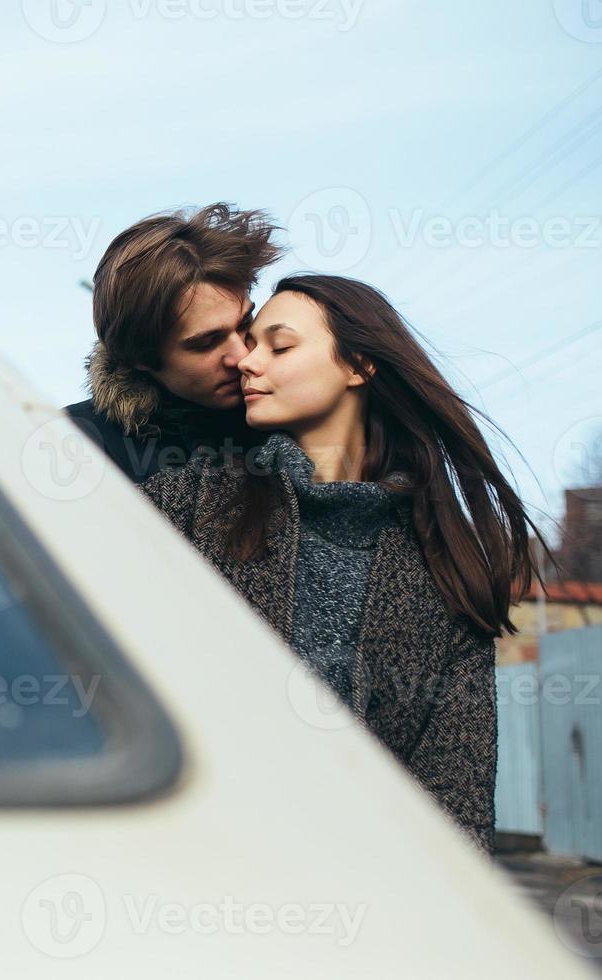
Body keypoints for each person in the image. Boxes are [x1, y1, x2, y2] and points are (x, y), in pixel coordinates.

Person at [141, 274, 550, 854]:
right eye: (250, 345)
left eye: (278, 347)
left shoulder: (445, 568)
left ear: (358, 364)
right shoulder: (192, 503)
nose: (247, 364)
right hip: (187, 881)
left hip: (367, 910)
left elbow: (456, 802)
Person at [66, 203, 283, 483]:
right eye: (207, 342)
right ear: (139, 357)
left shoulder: (299, 420)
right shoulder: (76, 447)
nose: (242, 356)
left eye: (244, 323)